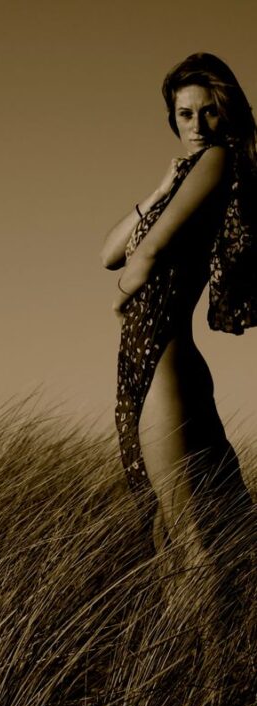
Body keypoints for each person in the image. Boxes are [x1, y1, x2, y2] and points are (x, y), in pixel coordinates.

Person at [101, 53, 256, 637]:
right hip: (157, 361)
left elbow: (140, 257)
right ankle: (204, 659)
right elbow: (109, 251)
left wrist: (123, 295)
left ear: (226, 112)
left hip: (163, 361)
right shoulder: (190, 175)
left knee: (189, 541)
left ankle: (212, 676)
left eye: (208, 111)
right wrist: (162, 186)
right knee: (183, 534)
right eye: (184, 113)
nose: (196, 124)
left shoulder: (217, 160)